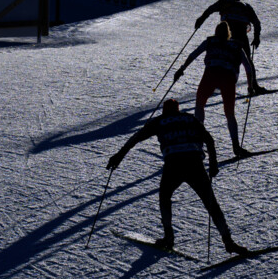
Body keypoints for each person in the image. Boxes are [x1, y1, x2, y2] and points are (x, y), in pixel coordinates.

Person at [106, 98, 249, 255]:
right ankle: (228, 241)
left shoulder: (160, 121)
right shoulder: (189, 118)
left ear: (164, 111)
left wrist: (118, 156)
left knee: (165, 197)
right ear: (178, 109)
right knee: (211, 204)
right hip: (195, 164)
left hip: (173, 165)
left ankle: (169, 236)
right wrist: (213, 163)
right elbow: (209, 140)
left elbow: (135, 139)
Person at [174, 21, 258, 158]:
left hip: (210, 74)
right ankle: (236, 147)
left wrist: (181, 69)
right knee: (229, 113)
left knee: (199, 105)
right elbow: (248, 67)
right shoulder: (237, 46)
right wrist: (250, 87)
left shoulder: (210, 42)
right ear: (229, 33)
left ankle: (198, 144)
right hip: (228, 78)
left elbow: (193, 55)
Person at [195, 0, 266, 94]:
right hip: (242, 35)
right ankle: (253, 86)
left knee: (223, 58)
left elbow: (210, 10)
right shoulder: (245, 7)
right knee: (247, 61)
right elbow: (256, 22)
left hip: (226, 35)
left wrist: (200, 19)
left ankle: (217, 83)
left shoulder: (224, 3)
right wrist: (256, 37)